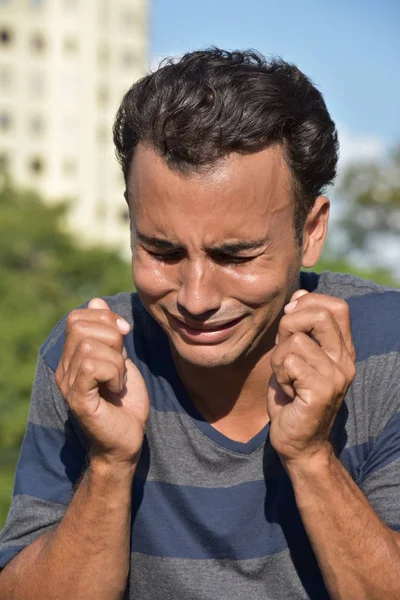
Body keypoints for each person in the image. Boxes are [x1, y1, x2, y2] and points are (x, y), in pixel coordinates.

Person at [0, 48, 399, 600]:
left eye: (236, 256)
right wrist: (111, 465)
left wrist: (310, 458)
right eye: (161, 250)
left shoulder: (390, 352)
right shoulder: (88, 359)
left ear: (310, 230)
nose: (195, 298)